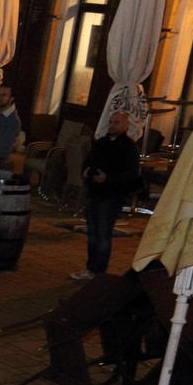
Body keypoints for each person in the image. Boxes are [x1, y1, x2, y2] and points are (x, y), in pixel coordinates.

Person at [73, 110, 142, 281]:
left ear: (126, 125)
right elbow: (88, 161)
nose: (112, 125)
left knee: (103, 234)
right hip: (95, 192)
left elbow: (130, 175)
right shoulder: (102, 142)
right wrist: (87, 171)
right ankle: (91, 268)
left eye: (116, 122)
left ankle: (99, 271)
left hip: (112, 196)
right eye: (110, 122)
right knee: (92, 233)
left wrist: (108, 178)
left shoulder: (129, 148)